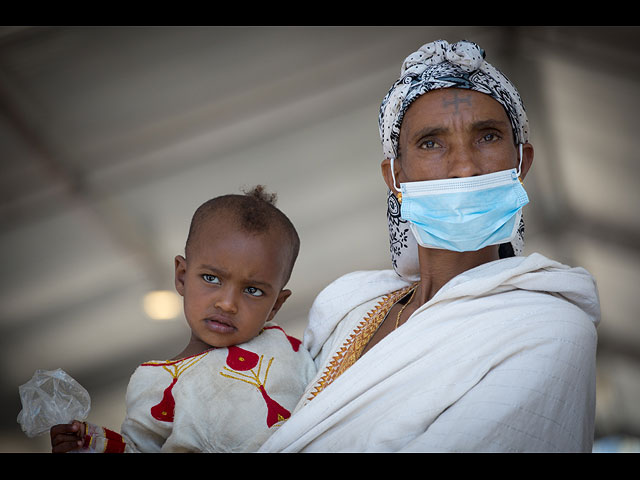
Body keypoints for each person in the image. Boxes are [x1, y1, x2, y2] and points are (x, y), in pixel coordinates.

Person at [258, 39, 601, 453]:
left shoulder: (549, 329)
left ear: (521, 163)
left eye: (488, 137)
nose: (464, 167)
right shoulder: (348, 308)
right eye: (431, 143)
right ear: (395, 177)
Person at [50, 186, 316, 453]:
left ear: (276, 305)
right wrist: (89, 445)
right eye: (212, 279)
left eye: (253, 290)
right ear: (181, 276)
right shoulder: (154, 383)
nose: (227, 303)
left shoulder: (292, 349)